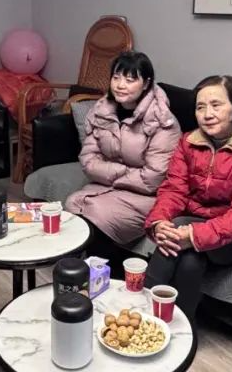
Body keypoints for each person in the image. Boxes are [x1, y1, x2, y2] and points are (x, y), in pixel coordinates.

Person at [143, 75, 232, 320]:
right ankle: (176, 326)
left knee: (185, 247)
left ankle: (144, 313)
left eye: (216, 105)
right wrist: (158, 222)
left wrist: (194, 236)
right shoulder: (188, 142)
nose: (207, 114)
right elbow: (174, 189)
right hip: (201, 220)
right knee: (182, 248)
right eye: (200, 107)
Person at [65, 51, 182, 273]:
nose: (120, 85)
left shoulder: (162, 122)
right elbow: (88, 161)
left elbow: (153, 179)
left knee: (98, 219)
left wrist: (109, 172)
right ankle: (78, 279)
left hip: (144, 198)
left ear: (146, 83)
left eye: (130, 80)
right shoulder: (101, 111)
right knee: (72, 207)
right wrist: (124, 172)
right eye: (116, 77)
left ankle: (103, 281)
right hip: (104, 188)